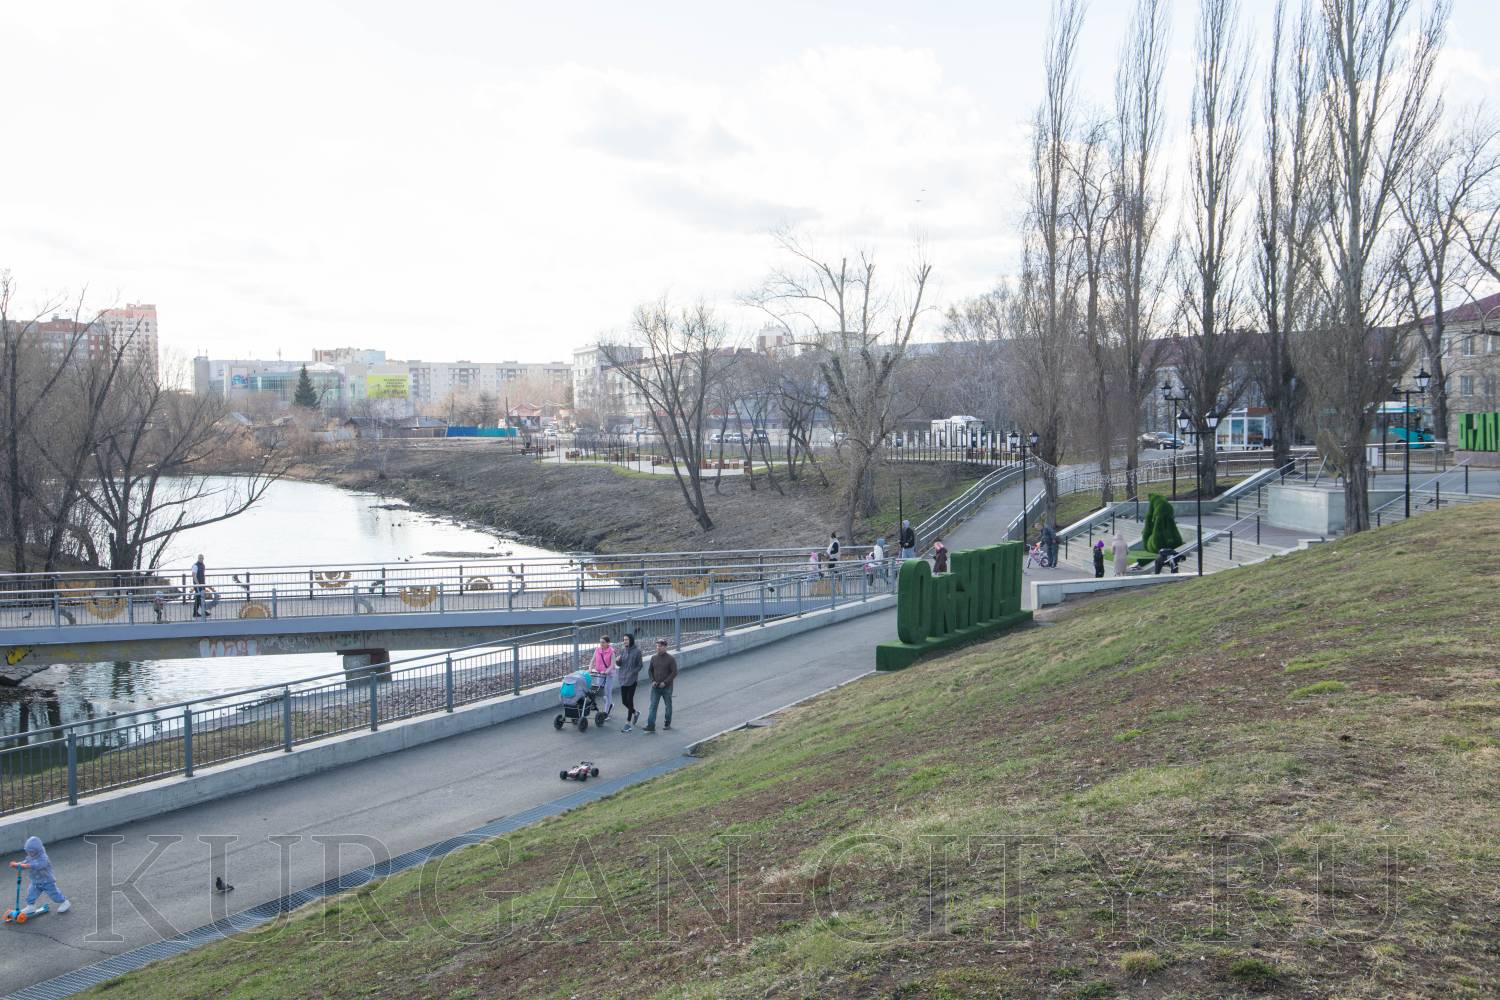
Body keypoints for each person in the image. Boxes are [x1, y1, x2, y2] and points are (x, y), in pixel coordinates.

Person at [10, 836, 69, 915]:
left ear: (37, 850)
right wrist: (17, 865)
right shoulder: (30, 857)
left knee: (54, 895)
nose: (29, 854)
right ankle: (31, 906)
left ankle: (64, 902)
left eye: (31, 852)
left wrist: (27, 866)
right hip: (36, 882)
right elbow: (24, 863)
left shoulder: (43, 857)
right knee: (30, 894)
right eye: (28, 852)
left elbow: (39, 865)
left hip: (47, 882)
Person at [642, 637, 677, 733]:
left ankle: (667, 723)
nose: (658, 648)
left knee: (668, 705)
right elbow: (650, 671)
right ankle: (650, 725)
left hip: (667, 687)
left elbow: (674, 672)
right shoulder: (653, 658)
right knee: (653, 706)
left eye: (660, 646)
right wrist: (652, 681)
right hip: (655, 687)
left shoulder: (671, 659)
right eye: (657, 646)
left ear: (665, 647)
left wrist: (665, 682)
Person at [615, 633, 643, 733]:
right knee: (624, 701)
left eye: (626, 639)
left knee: (630, 700)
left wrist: (633, 672)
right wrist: (617, 661)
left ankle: (628, 723)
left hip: (632, 680)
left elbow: (640, 665)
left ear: (631, 640)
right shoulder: (623, 650)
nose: (625, 641)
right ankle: (635, 713)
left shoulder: (637, 651)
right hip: (623, 678)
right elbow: (620, 664)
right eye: (624, 640)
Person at [590, 634, 616, 723]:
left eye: (603, 642)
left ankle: (606, 714)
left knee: (607, 693)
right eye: (600, 642)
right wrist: (590, 668)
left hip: (608, 675)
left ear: (608, 643)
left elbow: (612, 665)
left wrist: (607, 671)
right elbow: (592, 660)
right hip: (599, 674)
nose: (601, 644)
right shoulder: (597, 650)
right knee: (601, 693)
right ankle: (610, 704)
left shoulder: (611, 652)